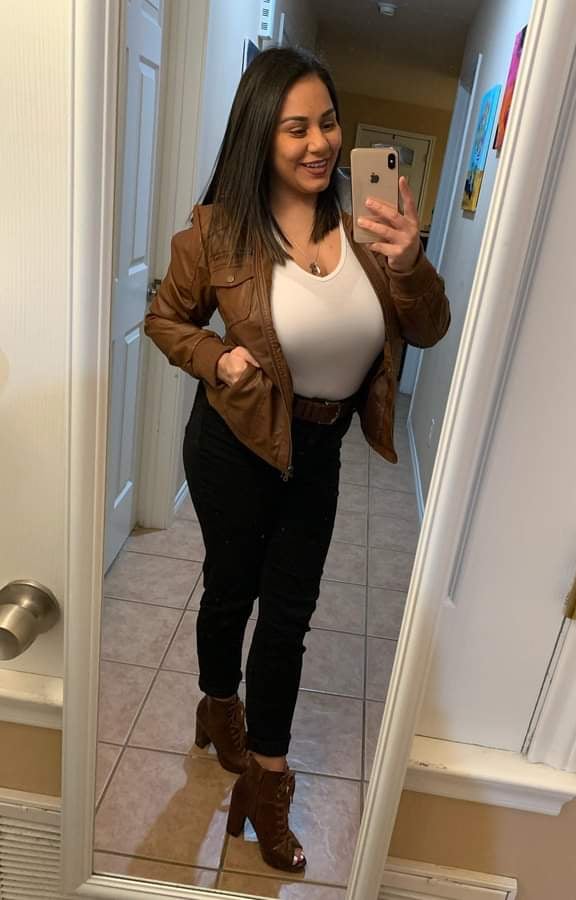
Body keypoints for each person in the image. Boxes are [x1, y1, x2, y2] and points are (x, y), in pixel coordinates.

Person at [144, 46, 450, 873]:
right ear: (260, 133)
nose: (319, 143)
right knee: (232, 588)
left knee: (288, 616)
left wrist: (410, 262)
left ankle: (266, 782)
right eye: (296, 128)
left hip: (319, 448)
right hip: (234, 442)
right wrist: (216, 358)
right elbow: (166, 319)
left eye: (328, 122)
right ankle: (218, 703)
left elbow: (428, 329)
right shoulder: (218, 232)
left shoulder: (369, 228)